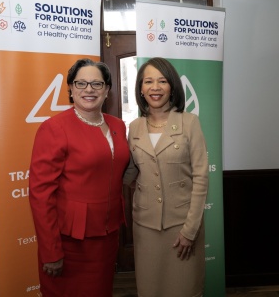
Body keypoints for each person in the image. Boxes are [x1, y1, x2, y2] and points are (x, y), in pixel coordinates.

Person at [29, 58, 130, 297]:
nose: (89, 89)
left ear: (107, 89)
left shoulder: (118, 125)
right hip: (70, 243)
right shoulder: (54, 128)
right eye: (81, 83)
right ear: (70, 89)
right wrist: (51, 251)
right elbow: (40, 195)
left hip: (107, 237)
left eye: (97, 84)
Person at [124, 57, 209, 297]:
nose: (155, 87)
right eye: (148, 81)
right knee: (150, 290)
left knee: (184, 289)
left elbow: (201, 178)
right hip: (146, 228)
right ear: (140, 88)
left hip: (181, 226)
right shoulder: (134, 128)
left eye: (162, 81)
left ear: (172, 86)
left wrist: (190, 230)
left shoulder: (189, 122)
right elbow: (130, 173)